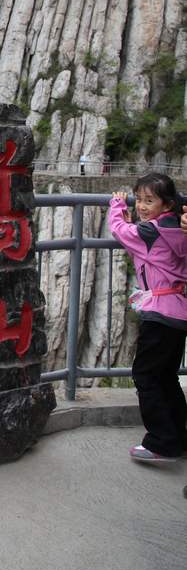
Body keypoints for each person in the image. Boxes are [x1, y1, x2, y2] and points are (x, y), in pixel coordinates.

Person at [108, 172, 187, 463]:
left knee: (145, 375)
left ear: (166, 204)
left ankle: (161, 442)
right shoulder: (177, 228)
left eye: (148, 200)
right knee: (166, 377)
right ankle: (179, 436)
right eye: (138, 199)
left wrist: (117, 205)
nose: (141, 206)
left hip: (159, 313)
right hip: (179, 310)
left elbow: (119, 230)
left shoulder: (150, 232)